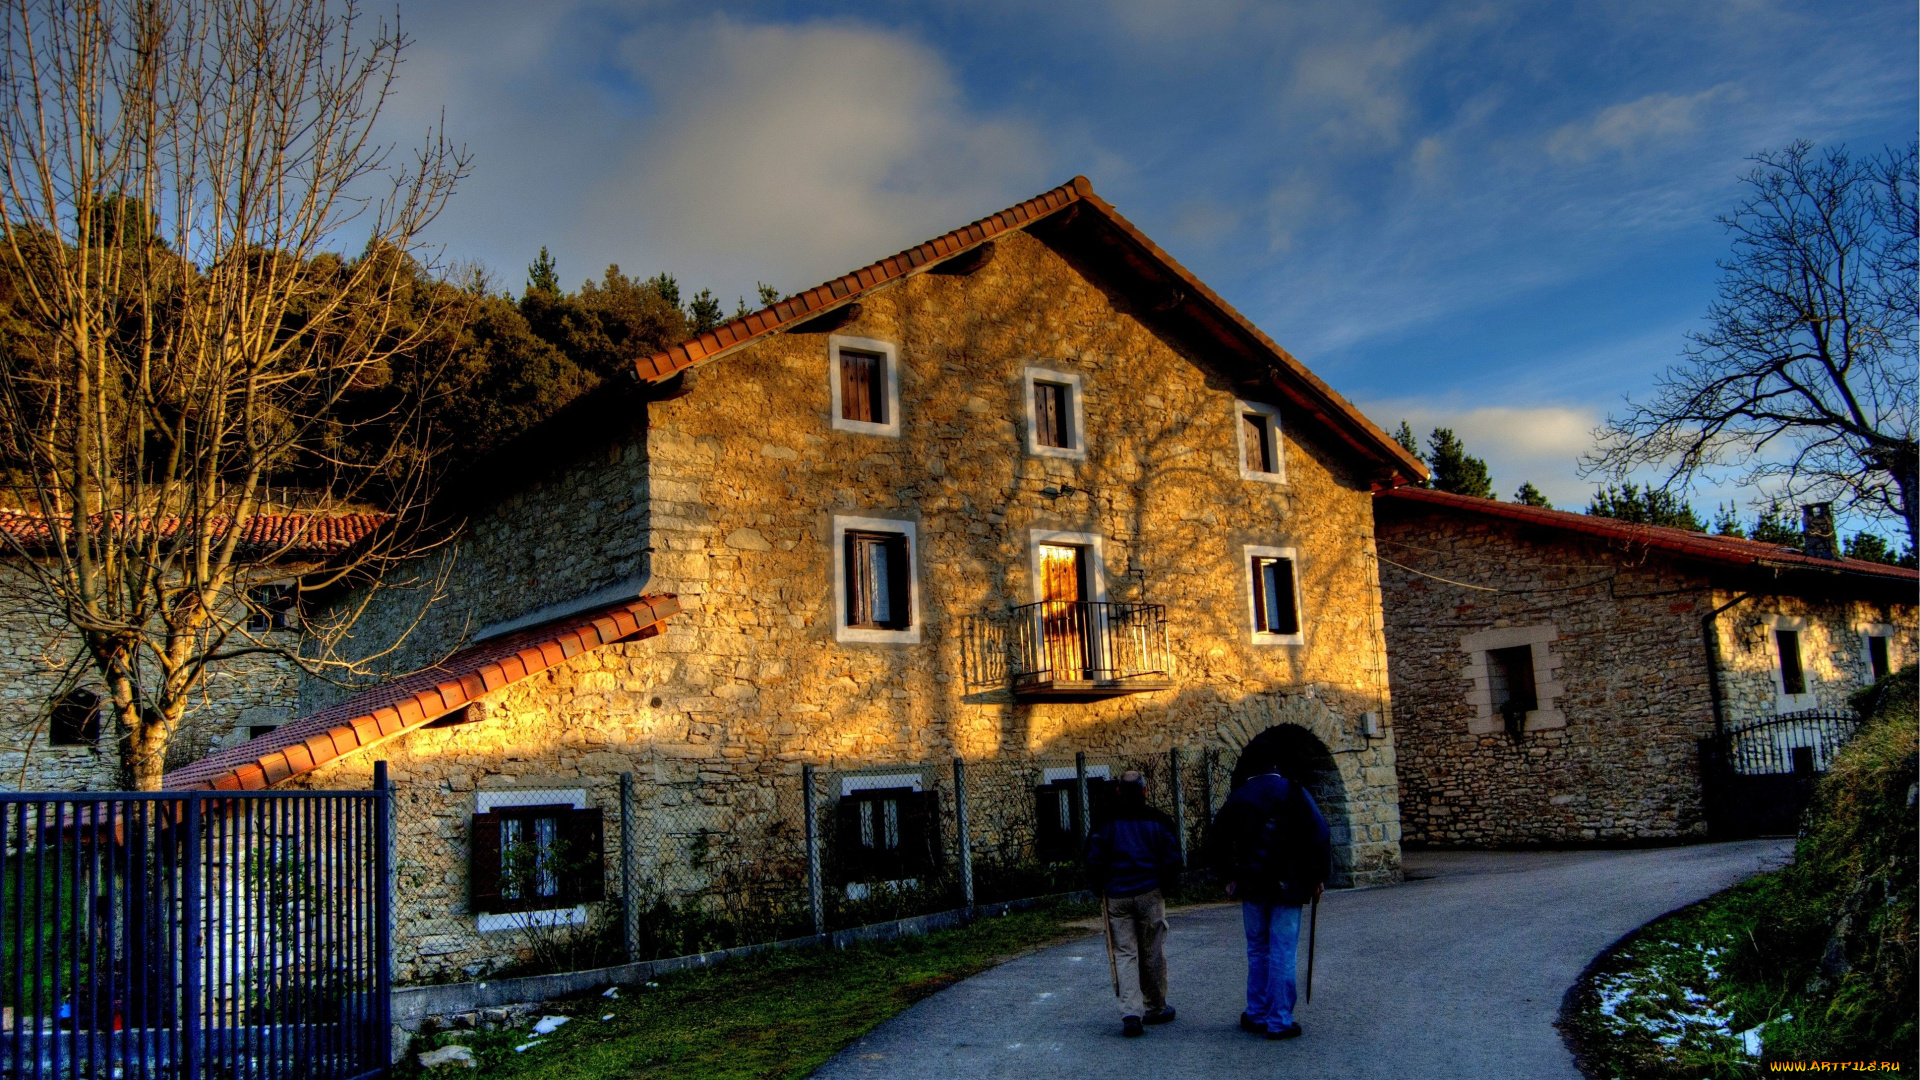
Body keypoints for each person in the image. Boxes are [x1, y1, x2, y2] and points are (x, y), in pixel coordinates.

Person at [1209, 762, 1331, 1041]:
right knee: (1283, 952)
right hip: (1289, 883)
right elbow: (1319, 834)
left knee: (1257, 950)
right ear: (1277, 768)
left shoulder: (1240, 795)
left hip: (1252, 883)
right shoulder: (1295, 792)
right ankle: (1279, 1020)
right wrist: (1317, 878)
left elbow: (1217, 838)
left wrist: (1228, 875)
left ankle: (1257, 1013)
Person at [1084, 769, 1183, 1037]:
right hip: (1150, 891)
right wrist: (1168, 885)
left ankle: (1130, 1012)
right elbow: (1173, 857)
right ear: (1144, 792)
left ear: (1118, 792)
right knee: (1152, 949)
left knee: (1125, 952)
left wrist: (1097, 885)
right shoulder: (1159, 821)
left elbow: (1093, 857)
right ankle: (1155, 1006)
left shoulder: (1105, 822)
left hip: (1117, 894)